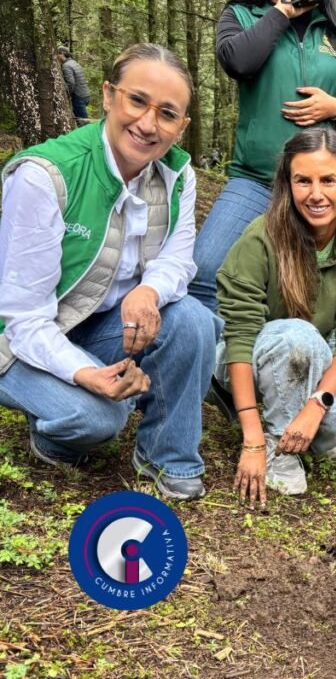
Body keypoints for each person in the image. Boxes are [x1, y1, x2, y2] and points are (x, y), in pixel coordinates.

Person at [0, 43, 218, 500]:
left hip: (93, 323)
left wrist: (149, 292)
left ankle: (168, 457)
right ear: (107, 95)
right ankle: (53, 435)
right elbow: (22, 319)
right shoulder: (46, 175)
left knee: (193, 320)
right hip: (15, 338)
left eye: (167, 113)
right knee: (98, 418)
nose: (147, 124)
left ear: (182, 127)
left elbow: (177, 260)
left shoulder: (178, 175)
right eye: (137, 100)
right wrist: (86, 373)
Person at [217, 128, 336, 504]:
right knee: (299, 337)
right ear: (287, 185)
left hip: (314, 350)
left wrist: (317, 404)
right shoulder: (262, 237)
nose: (316, 193)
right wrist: (253, 439)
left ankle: (306, 429)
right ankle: (280, 449)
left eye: (328, 180)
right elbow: (240, 335)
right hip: (252, 355)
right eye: (303, 180)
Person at [188, 0, 336, 313]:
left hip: (320, 188)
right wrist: (281, 13)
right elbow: (238, 62)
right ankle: (224, 356)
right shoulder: (242, 14)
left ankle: (296, 355)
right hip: (255, 180)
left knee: (312, 293)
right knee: (205, 271)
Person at [56, 46, 90, 125]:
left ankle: (90, 137)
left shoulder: (66, 66)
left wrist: (65, 95)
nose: (56, 57)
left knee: (83, 123)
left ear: (62, 54)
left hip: (79, 97)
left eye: (57, 54)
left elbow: (70, 83)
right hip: (85, 95)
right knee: (82, 121)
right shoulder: (74, 62)